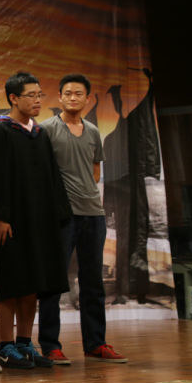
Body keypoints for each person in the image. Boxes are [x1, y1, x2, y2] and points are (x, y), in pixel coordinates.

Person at [0, 72, 72, 370]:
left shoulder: (40, 133)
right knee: (10, 282)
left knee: (33, 282)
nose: (37, 101)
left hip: (39, 221)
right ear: (13, 98)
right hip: (9, 222)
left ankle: (24, 343)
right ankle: (5, 346)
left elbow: (52, 177)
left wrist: (59, 216)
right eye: (31, 95)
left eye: (39, 95)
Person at [38, 74, 128, 364]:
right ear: (60, 97)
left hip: (93, 214)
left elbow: (95, 170)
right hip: (61, 216)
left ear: (88, 99)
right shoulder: (47, 129)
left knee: (92, 281)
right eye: (68, 93)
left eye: (79, 93)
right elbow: (40, 171)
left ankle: (95, 343)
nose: (73, 98)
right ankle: (50, 345)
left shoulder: (92, 131)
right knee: (54, 280)